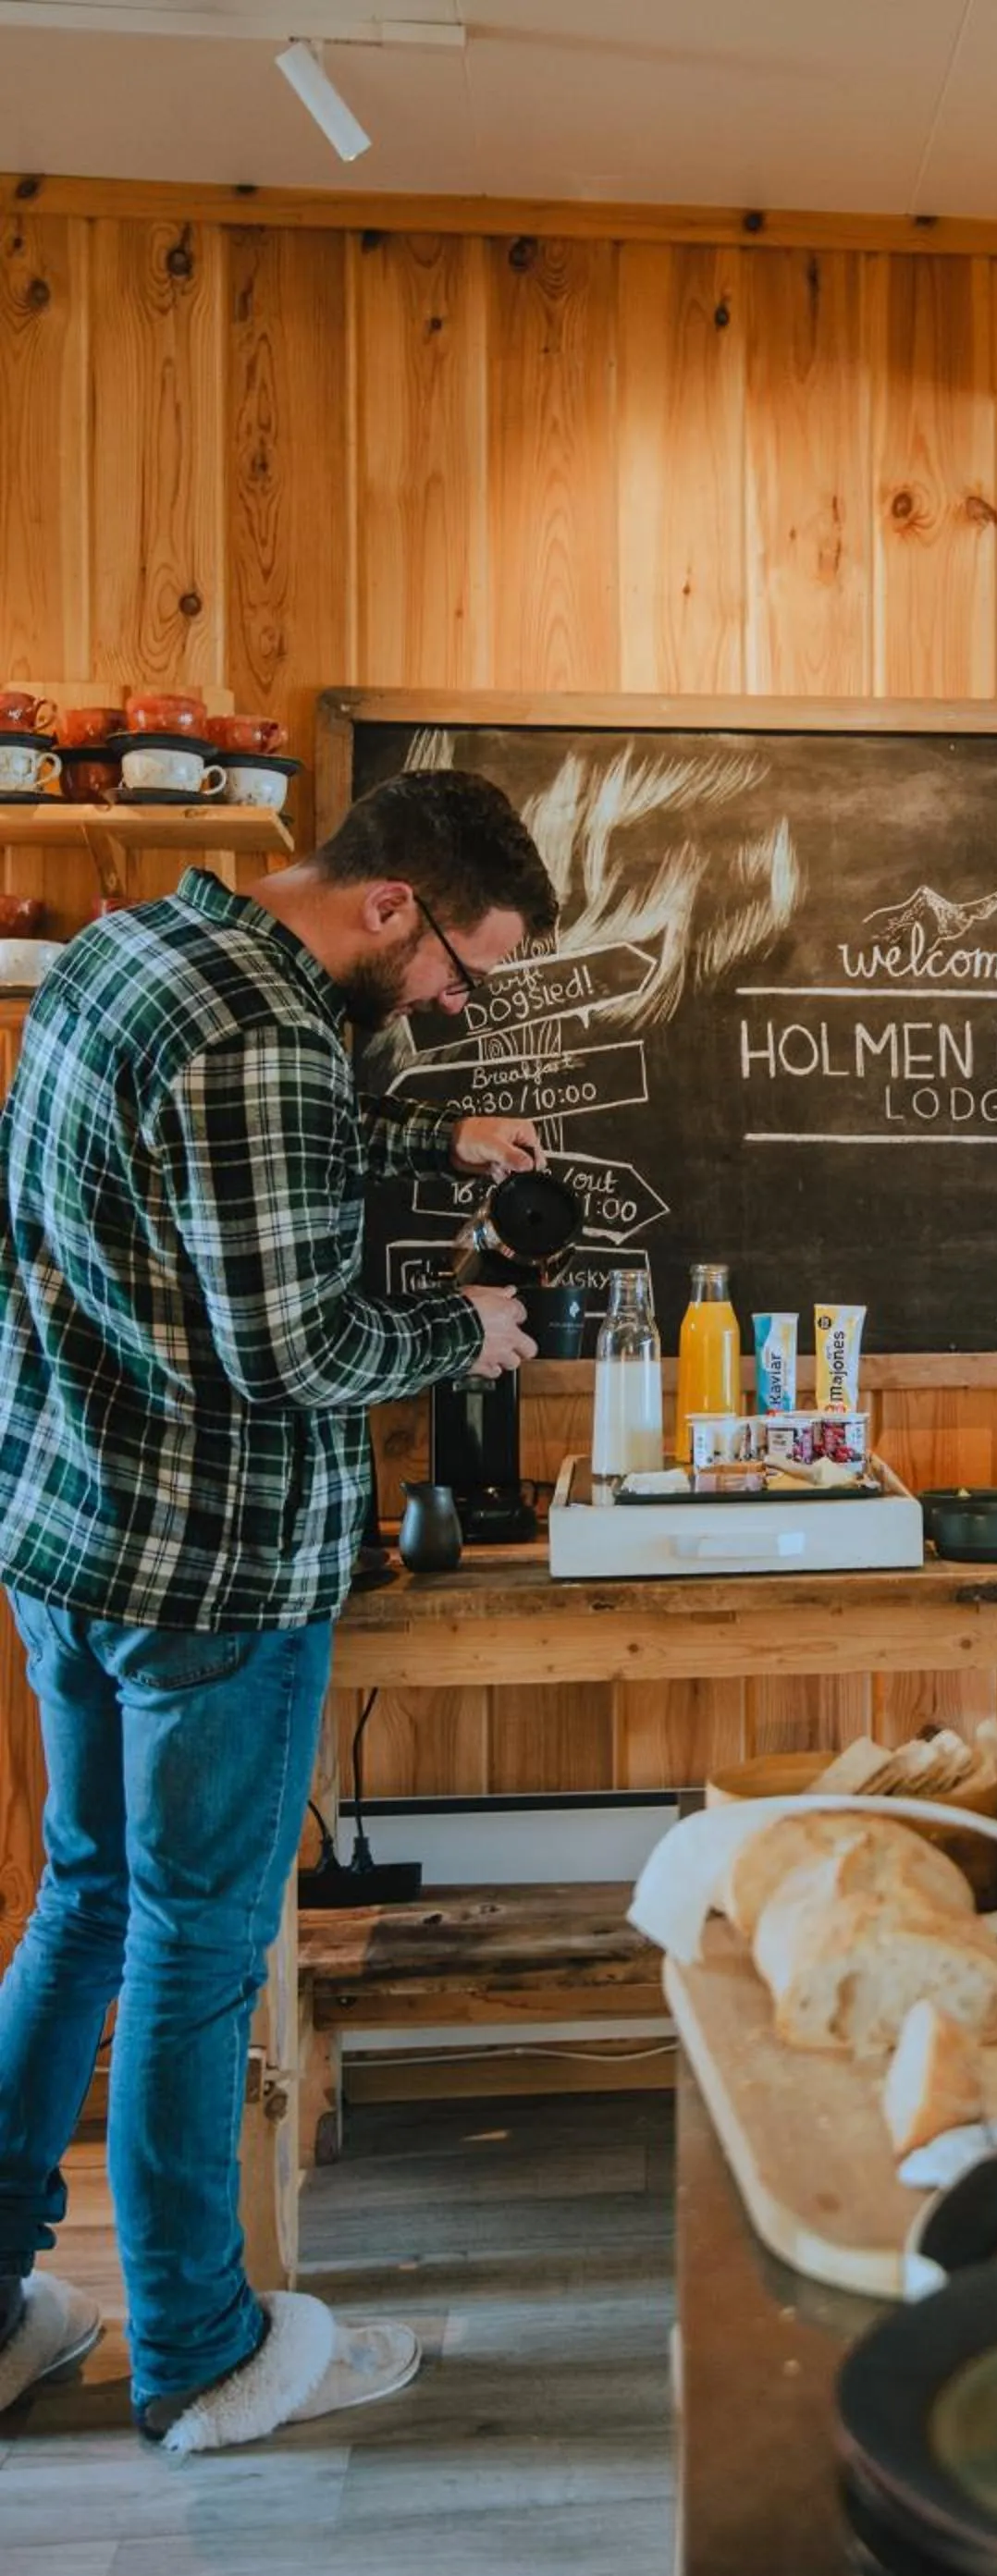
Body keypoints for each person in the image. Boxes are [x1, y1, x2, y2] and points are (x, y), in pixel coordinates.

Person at [0, 768, 555, 2451]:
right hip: (211, 1572)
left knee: (85, 1907)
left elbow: (221, 1152)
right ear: (394, 907)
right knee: (197, 1945)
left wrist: (424, 1135)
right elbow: (299, 1351)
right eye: (464, 966)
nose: (459, 1005)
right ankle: (203, 2352)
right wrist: (469, 1335)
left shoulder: (139, 950)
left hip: (72, 1532)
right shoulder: (271, 1040)